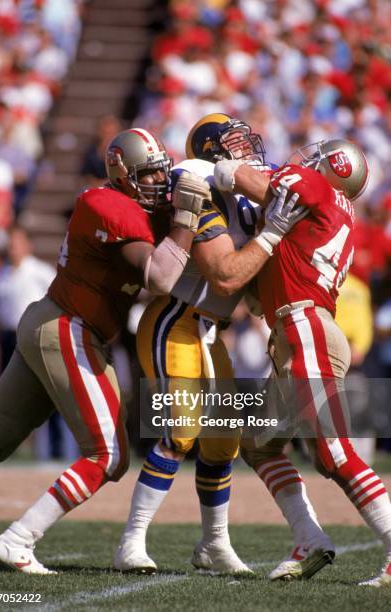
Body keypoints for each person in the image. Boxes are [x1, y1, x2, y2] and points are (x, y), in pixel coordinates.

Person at [0, 127, 208, 575]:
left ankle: (17, 539)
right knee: (109, 454)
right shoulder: (103, 204)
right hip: (67, 327)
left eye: (160, 175)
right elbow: (161, 276)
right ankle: (18, 539)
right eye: (147, 176)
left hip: (55, 325)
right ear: (120, 172)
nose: (157, 185)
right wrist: (185, 219)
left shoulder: (139, 208)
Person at [114, 114, 307, 574]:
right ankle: (130, 542)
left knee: (222, 444)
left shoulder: (241, 199)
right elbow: (224, 278)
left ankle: (213, 544)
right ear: (212, 153)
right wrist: (273, 233)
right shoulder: (195, 181)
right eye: (235, 144)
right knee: (180, 430)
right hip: (174, 322)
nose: (248, 152)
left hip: (209, 332)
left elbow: (253, 291)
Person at [214, 139, 391, 587]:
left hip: (305, 328)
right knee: (258, 443)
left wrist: (219, 166)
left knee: (332, 451)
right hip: (297, 331)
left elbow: (246, 180)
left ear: (329, 169)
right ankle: (309, 537)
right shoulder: (334, 211)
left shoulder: (315, 187)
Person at [0, 225, 56, 372]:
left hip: (31, 336)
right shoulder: (0, 275)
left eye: (17, 241)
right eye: (11, 241)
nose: (13, 245)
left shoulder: (41, 271)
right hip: (7, 338)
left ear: (27, 244)